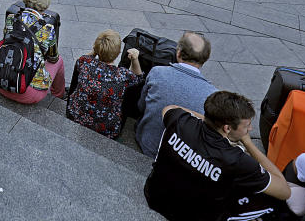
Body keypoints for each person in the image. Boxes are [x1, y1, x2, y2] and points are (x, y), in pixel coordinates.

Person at [143, 91, 291, 221]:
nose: (250, 129)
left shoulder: (179, 121)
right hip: (192, 216)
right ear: (227, 128)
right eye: (246, 126)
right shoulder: (239, 160)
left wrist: (210, 121)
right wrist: (248, 144)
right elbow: (284, 191)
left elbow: (170, 108)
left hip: (153, 195)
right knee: (273, 202)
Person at [136, 31, 216, 157]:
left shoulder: (157, 73)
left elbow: (141, 106)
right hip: (179, 156)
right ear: (205, 59)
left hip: (147, 144)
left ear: (178, 53)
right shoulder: (212, 94)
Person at [66, 30, 144, 139]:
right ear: (118, 53)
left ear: (96, 47)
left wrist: (95, 51)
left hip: (75, 114)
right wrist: (134, 59)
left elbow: (82, 59)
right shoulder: (122, 75)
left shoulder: (85, 63)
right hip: (106, 129)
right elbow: (139, 78)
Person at [0, 0, 65, 104]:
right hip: (28, 95)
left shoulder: (11, 18)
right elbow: (53, 58)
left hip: (1, 84)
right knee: (59, 61)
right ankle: (58, 96)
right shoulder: (47, 28)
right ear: (45, 7)